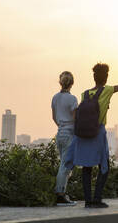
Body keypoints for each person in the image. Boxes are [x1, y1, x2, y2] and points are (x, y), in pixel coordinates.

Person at [65, 63, 118, 208]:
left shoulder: (84, 94)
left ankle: (88, 201)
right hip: (98, 132)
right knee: (104, 166)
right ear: (106, 77)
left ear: (94, 77)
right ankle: (97, 199)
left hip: (83, 134)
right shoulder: (107, 90)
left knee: (86, 167)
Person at [52, 71, 78, 206]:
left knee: (64, 164)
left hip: (60, 133)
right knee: (65, 165)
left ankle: (62, 192)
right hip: (69, 134)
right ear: (72, 83)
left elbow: (54, 117)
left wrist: (62, 125)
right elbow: (75, 119)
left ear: (60, 82)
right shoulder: (72, 99)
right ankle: (60, 194)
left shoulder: (55, 98)